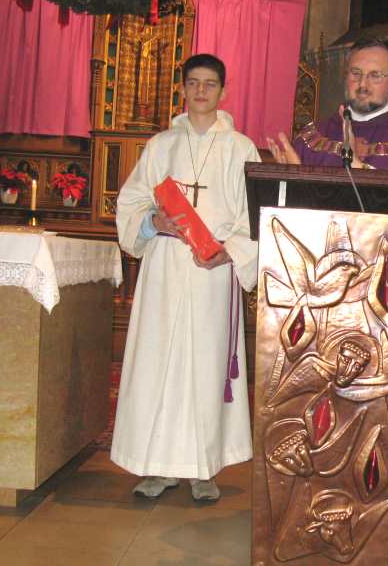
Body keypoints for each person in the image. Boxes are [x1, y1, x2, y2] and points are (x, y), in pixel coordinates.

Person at [266, 36, 388, 530]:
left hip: (387, 303)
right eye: (355, 73)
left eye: (374, 75)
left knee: (380, 404)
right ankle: (312, 508)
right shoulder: (313, 139)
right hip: (326, 307)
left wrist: (366, 174)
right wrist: (291, 178)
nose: (362, 83)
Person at [111, 53, 260, 501]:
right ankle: (158, 467)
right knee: (159, 363)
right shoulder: (161, 146)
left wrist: (229, 253)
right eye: (193, 83)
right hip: (164, 267)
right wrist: (152, 222)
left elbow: (254, 215)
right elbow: (131, 202)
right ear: (181, 89)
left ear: (223, 91)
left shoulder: (241, 148)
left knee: (205, 367)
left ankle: (203, 469)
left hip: (212, 272)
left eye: (209, 84)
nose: (200, 91)